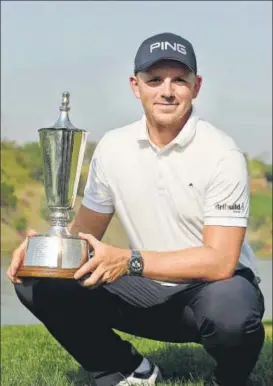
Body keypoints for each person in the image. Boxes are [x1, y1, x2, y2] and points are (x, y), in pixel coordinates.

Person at [7, 32, 265, 386]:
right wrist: (46, 251)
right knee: (38, 279)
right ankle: (125, 370)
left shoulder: (222, 153)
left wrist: (128, 260)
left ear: (197, 86)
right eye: (154, 80)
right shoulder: (114, 147)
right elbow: (84, 236)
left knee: (232, 310)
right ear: (135, 85)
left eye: (179, 80)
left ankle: (230, 378)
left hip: (209, 293)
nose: (167, 90)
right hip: (142, 291)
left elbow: (220, 261)